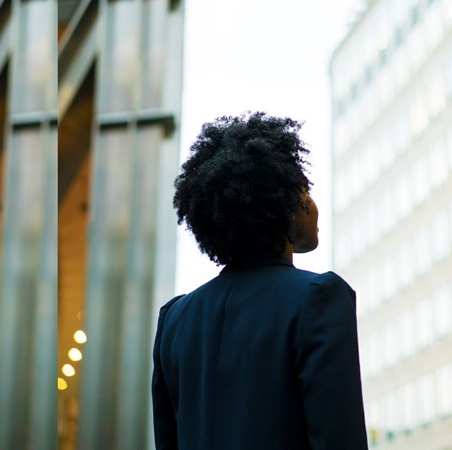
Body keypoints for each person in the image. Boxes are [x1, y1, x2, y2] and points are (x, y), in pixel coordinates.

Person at [152, 112, 368, 449]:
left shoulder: (175, 320)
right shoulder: (318, 298)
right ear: (283, 202)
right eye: (304, 191)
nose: (312, 204)